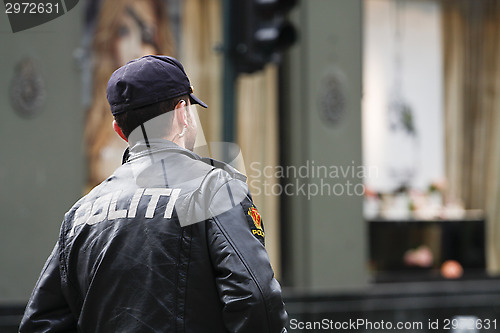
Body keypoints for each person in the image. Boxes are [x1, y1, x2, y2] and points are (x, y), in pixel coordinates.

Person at [19, 55, 288, 333]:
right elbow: (256, 298)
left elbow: (40, 323)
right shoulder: (214, 189)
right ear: (183, 113)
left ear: (120, 130)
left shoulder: (81, 213)